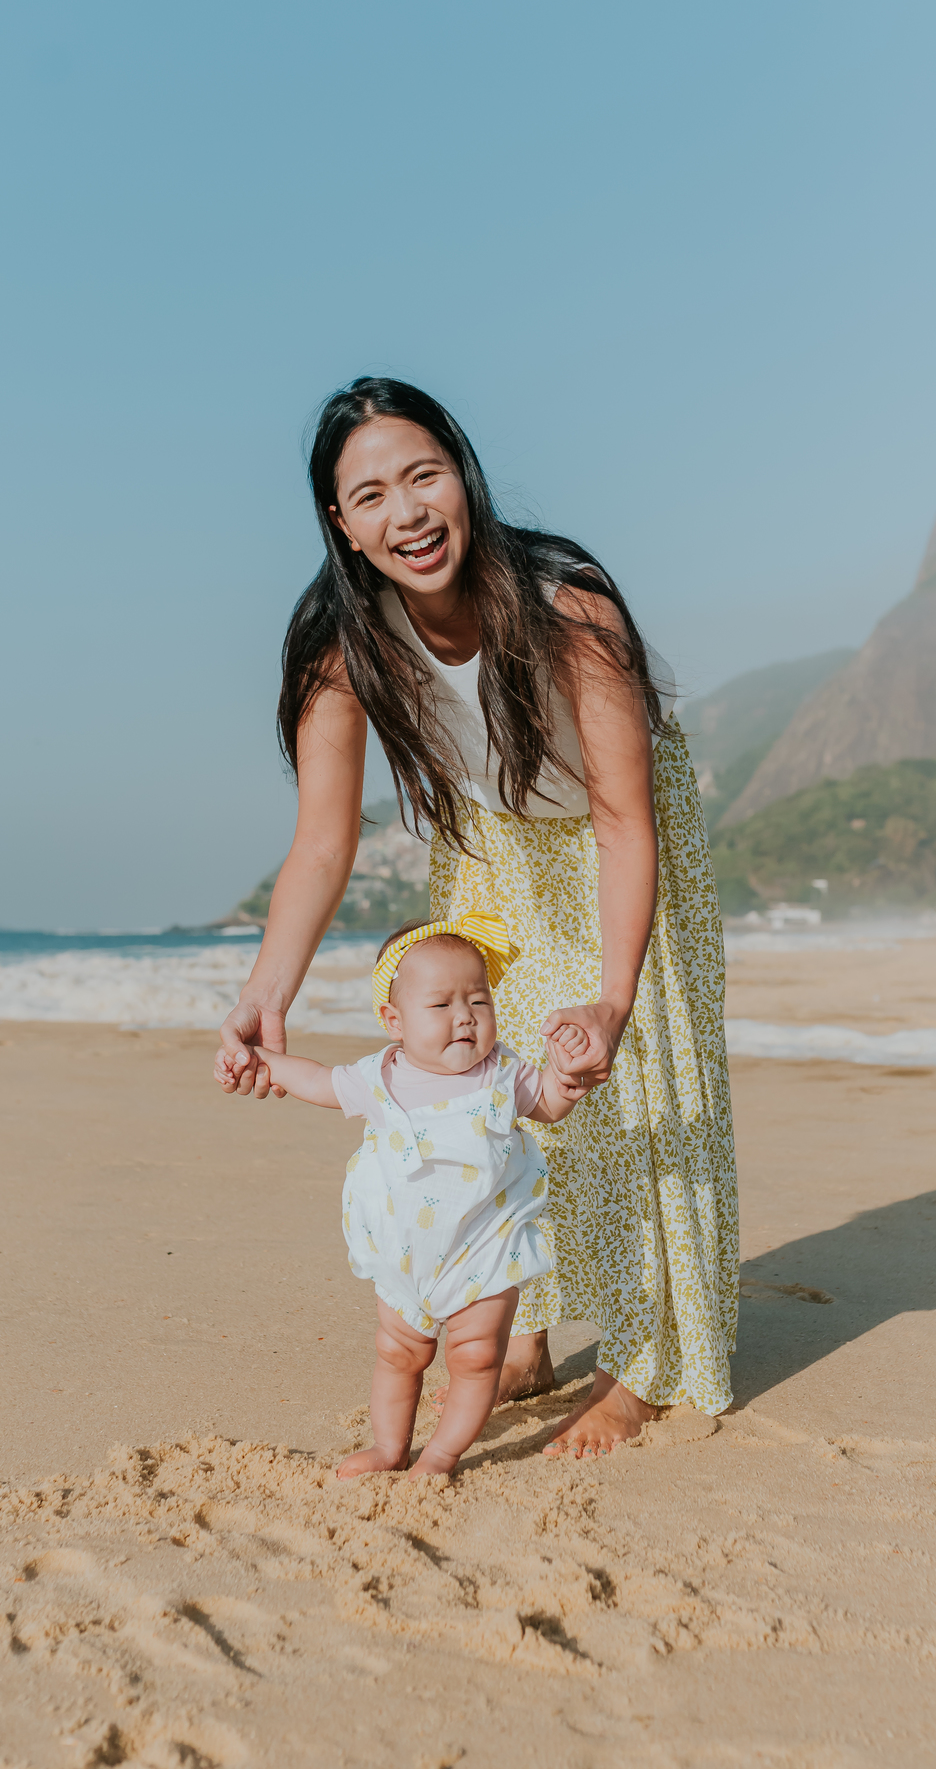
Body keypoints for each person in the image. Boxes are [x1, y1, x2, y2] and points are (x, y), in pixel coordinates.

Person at [215, 377, 739, 1458]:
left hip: (616, 828)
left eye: (423, 475)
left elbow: (622, 817)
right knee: (484, 1080)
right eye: (371, 496)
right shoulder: (340, 642)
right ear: (341, 525)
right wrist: (264, 995)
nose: (405, 512)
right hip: (494, 836)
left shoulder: (566, 601)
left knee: (620, 1083)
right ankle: (527, 1327)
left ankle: (643, 1367)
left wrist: (612, 997)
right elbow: (323, 841)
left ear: (463, 476)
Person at [221, 918, 589, 1478]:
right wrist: (263, 1063)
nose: (464, 1015)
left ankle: (441, 1455)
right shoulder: (380, 1078)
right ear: (394, 1021)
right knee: (399, 1354)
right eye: (441, 1004)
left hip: (483, 1250)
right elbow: (318, 1081)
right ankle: (390, 1447)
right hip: (403, 1252)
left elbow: (550, 1104)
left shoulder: (503, 1074)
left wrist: (566, 1077)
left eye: (479, 999)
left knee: (477, 1355)